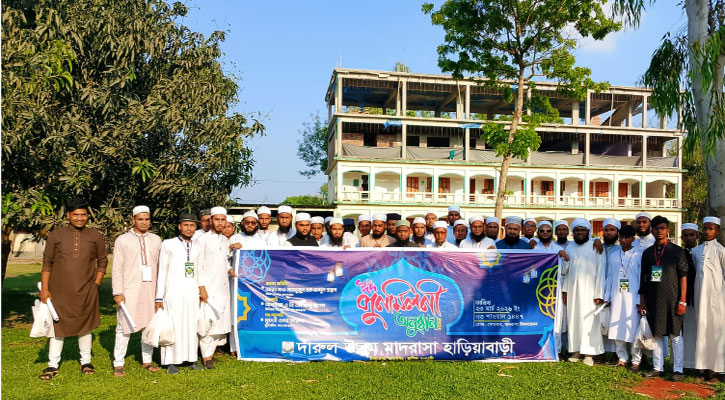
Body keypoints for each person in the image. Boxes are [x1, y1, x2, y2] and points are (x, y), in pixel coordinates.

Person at [39, 199, 108, 380]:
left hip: (87, 289)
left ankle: (86, 361)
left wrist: (96, 283)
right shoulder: (56, 235)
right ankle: (52, 364)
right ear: (68, 215)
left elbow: (102, 261)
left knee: (85, 325)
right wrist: (45, 289)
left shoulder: (95, 235)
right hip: (59, 291)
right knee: (57, 326)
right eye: (76, 214)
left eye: (83, 215)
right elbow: (47, 262)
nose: (80, 218)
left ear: (88, 216)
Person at [111, 206, 162, 377]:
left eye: (147, 219)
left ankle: (147, 361)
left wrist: (160, 293)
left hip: (151, 289)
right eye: (140, 219)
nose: (144, 222)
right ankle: (118, 363)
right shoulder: (123, 240)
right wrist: (118, 291)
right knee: (124, 327)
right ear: (133, 220)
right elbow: (117, 267)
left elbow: (161, 267)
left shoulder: (156, 240)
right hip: (129, 289)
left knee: (148, 325)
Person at [638, 215, 688, 380]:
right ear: (651, 230)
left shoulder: (677, 251)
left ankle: (678, 370)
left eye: (662, 228)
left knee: (676, 335)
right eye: (656, 228)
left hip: (673, 299)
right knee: (657, 334)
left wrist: (682, 300)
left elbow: (683, 276)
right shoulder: (647, 253)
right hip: (654, 300)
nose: (659, 231)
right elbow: (643, 278)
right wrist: (643, 302)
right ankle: (657, 368)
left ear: (667, 230)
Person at [155, 213, 203, 374]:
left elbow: (200, 270)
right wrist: (159, 297)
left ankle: (192, 359)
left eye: (192, 225)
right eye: (186, 225)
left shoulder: (198, 246)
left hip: (192, 293)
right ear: (179, 226)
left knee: (191, 326)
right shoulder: (168, 244)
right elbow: (162, 271)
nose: (189, 228)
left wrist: (201, 290)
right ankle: (170, 361)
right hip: (173, 292)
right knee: (173, 326)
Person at [563, 218, 606, 366]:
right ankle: (575, 350)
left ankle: (589, 353)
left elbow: (601, 270)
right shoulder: (570, 247)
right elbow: (566, 271)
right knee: (573, 319)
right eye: (577, 230)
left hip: (590, 292)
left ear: (588, 231)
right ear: (573, 232)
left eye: (583, 230)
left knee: (589, 321)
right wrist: (565, 290)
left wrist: (598, 294)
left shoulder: (595, 246)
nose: (580, 233)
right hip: (573, 290)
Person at [196, 207, 235, 369]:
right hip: (208, 287)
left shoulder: (225, 240)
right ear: (211, 220)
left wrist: (230, 270)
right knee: (208, 322)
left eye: (222, 220)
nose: (220, 223)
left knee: (220, 321)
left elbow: (224, 260)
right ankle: (206, 358)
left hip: (222, 286)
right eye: (217, 219)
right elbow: (197, 266)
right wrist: (201, 287)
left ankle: (210, 354)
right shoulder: (202, 240)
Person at [689, 217, 724, 381]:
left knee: (716, 332)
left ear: (718, 231)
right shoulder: (696, 251)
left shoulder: (721, 251)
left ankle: (718, 370)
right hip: (700, 298)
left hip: (717, 300)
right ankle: (704, 368)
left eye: (711, 228)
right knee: (702, 331)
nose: (707, 231)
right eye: (705, 228)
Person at [603, 225, 642, 370]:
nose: (623, 240)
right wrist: (607, 297)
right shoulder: (614, 255)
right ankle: (622, 358)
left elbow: (641, 278)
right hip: (616, 296)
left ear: (633, 239)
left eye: (627, 237)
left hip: (633, 298)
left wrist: (640, 300)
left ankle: (636, 360)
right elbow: (609, 277)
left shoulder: (639, 254)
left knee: (633, 329)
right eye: (621, 237)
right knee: (617, 327)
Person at [534, 220, 570, 355]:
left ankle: (557, 350)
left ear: (552, 233)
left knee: (557, 319)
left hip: (555, 290)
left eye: (548, 230)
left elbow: (564, 271)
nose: (545, 233)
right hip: (538, 289)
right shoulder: (533, 249)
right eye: (542, 230)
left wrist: (566, 259)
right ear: (538, 232)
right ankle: (538, 349)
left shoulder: (558, 249)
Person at [601, 218, 622, 362]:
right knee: (600, 320)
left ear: (617, 232)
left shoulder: (622, 249)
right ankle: (600, 351)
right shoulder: (597, 247)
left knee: (616, 320)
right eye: (606, 230)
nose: (609, 233)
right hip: (599, 287)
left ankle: (616, 353)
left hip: (616, 289)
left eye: (612, 230)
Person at [681, 222, 699, 373]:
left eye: (691, 235)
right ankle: (686, 363)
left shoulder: (702, 252)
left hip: (701, 297)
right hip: (685, 299)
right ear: (681, 237)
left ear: (697, 236)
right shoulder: (679, 254)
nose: (689, 238)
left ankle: (700, 364)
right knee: (686, 332)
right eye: (686, 235)